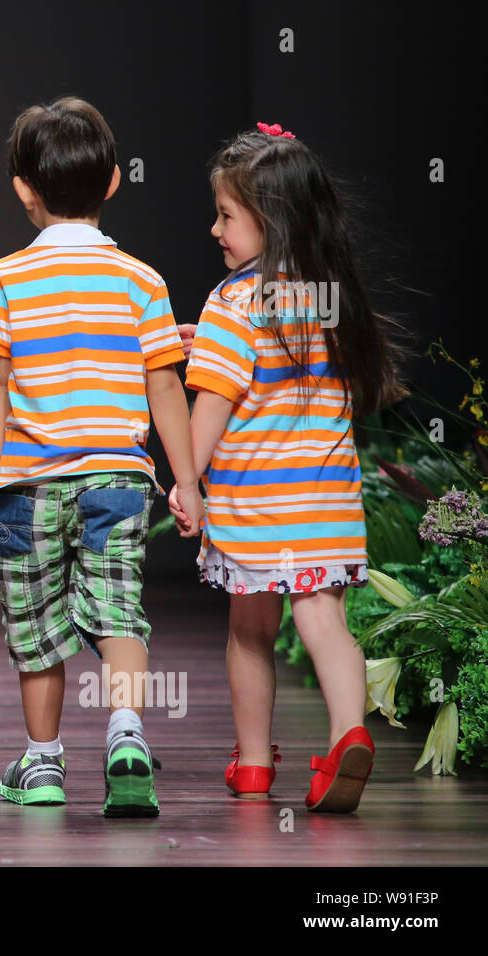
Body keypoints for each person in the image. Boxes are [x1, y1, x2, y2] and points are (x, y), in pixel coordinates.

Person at [0, 97, 204, 817]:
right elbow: (165, 384)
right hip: (118, 479)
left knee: (35, 626)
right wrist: (186, 480)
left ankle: (42, 765)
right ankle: (126, 734)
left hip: (30, 481)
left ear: (22, 189)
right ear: (114, 181)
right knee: (118, 610)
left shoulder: (7, 277)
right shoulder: (142, 280)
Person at [171, 122, 405, 812]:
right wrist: (206, 340)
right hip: (326, 502)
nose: (215, 230)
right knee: (325, 622)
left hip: (256, 506)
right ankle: (346, 733)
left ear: (269, 221)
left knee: (250, 631)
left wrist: (187, 482)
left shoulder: (232, 303)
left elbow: (213, 404)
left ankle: (250, 766)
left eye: (226, 215)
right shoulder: (328, 298)